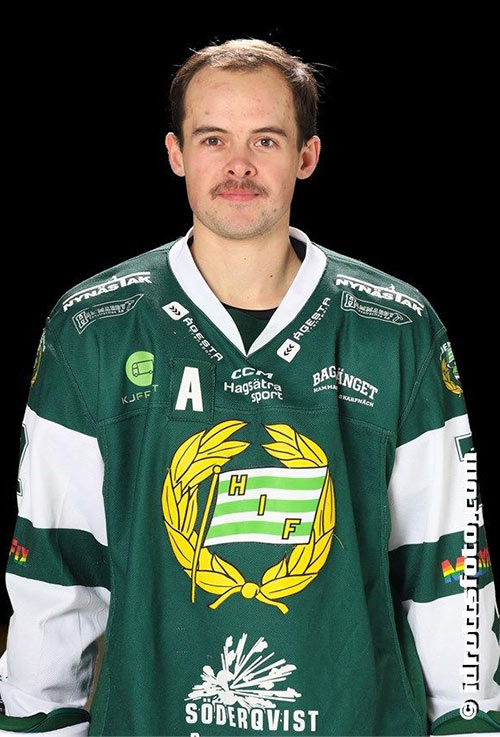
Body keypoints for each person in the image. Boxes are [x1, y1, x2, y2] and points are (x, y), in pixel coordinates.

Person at [0, 37, 498, 737]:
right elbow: (56, 568)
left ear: (306, 156)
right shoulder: (94, 328)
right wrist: (36, 726)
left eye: (265, 140)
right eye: (213, 139)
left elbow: (449, 566)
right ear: (176, 153)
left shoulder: (395, 327)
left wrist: (472, 724)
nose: (238, 165)